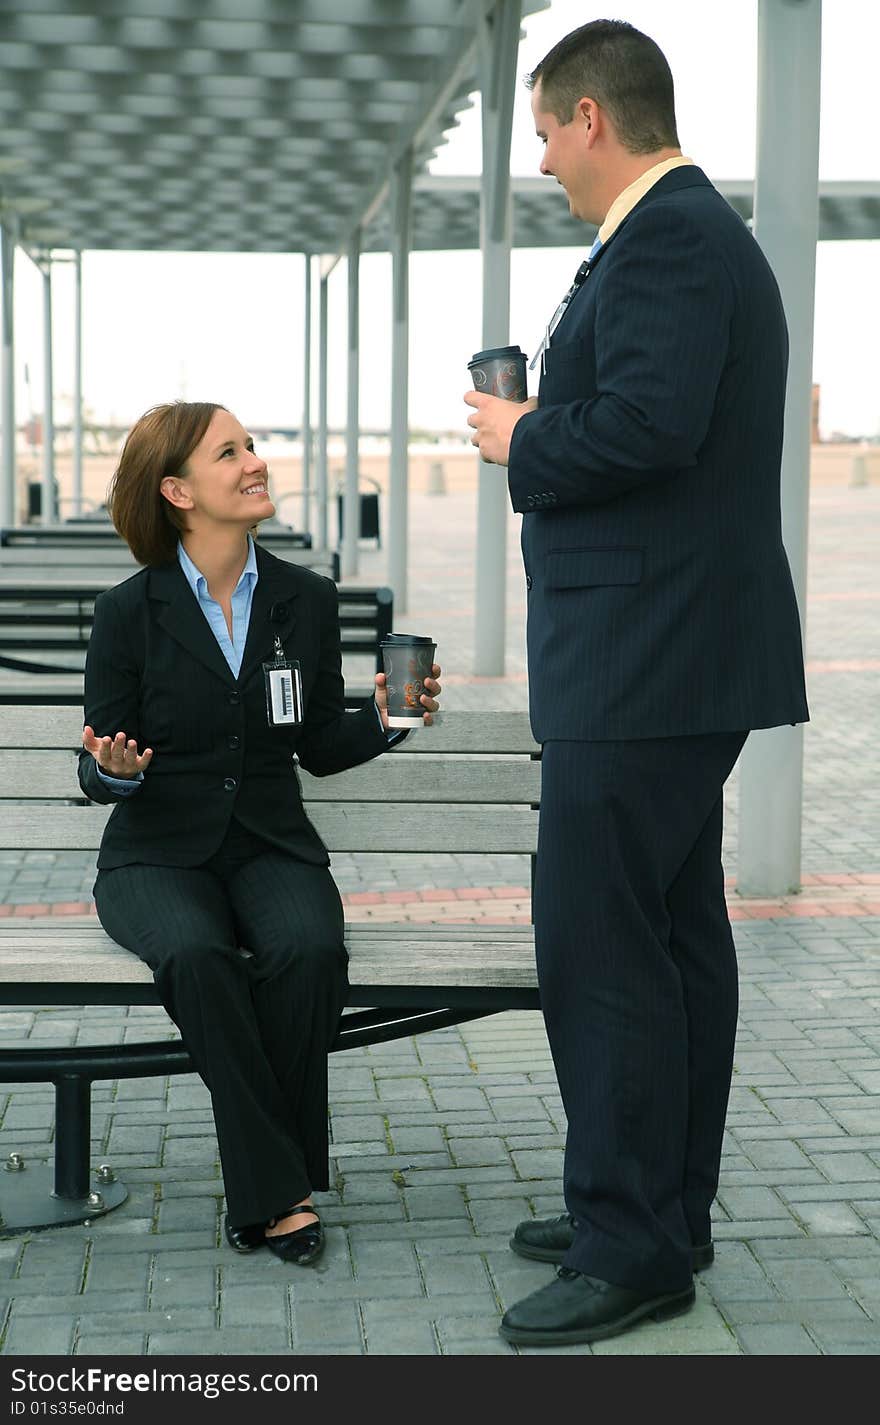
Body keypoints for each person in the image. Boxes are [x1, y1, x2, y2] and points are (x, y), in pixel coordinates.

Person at [464, 19, 808, 1346]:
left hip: (647, 660)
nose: (545, 157)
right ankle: (659, 1209)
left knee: (603, 947)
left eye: (546, 130)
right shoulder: (683, 237)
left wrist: (523, 434)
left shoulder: (668, 240)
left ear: (593, 119)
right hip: (667, 654)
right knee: (670, 944)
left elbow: (652, 427)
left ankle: (630, 1243)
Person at [79, 400, 441, 1265]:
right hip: (156, 853)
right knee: (197, 956)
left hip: (270, 843)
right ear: (177, 490)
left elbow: (316, 745)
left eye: (252, 445)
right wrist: (113, 770)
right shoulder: (128, 611)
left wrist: (386, 719)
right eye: (229, 451)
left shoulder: (304, 600)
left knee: (310, 949)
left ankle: (266, 1185)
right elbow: (99, 758)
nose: (255, 462)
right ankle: (282, 1191)